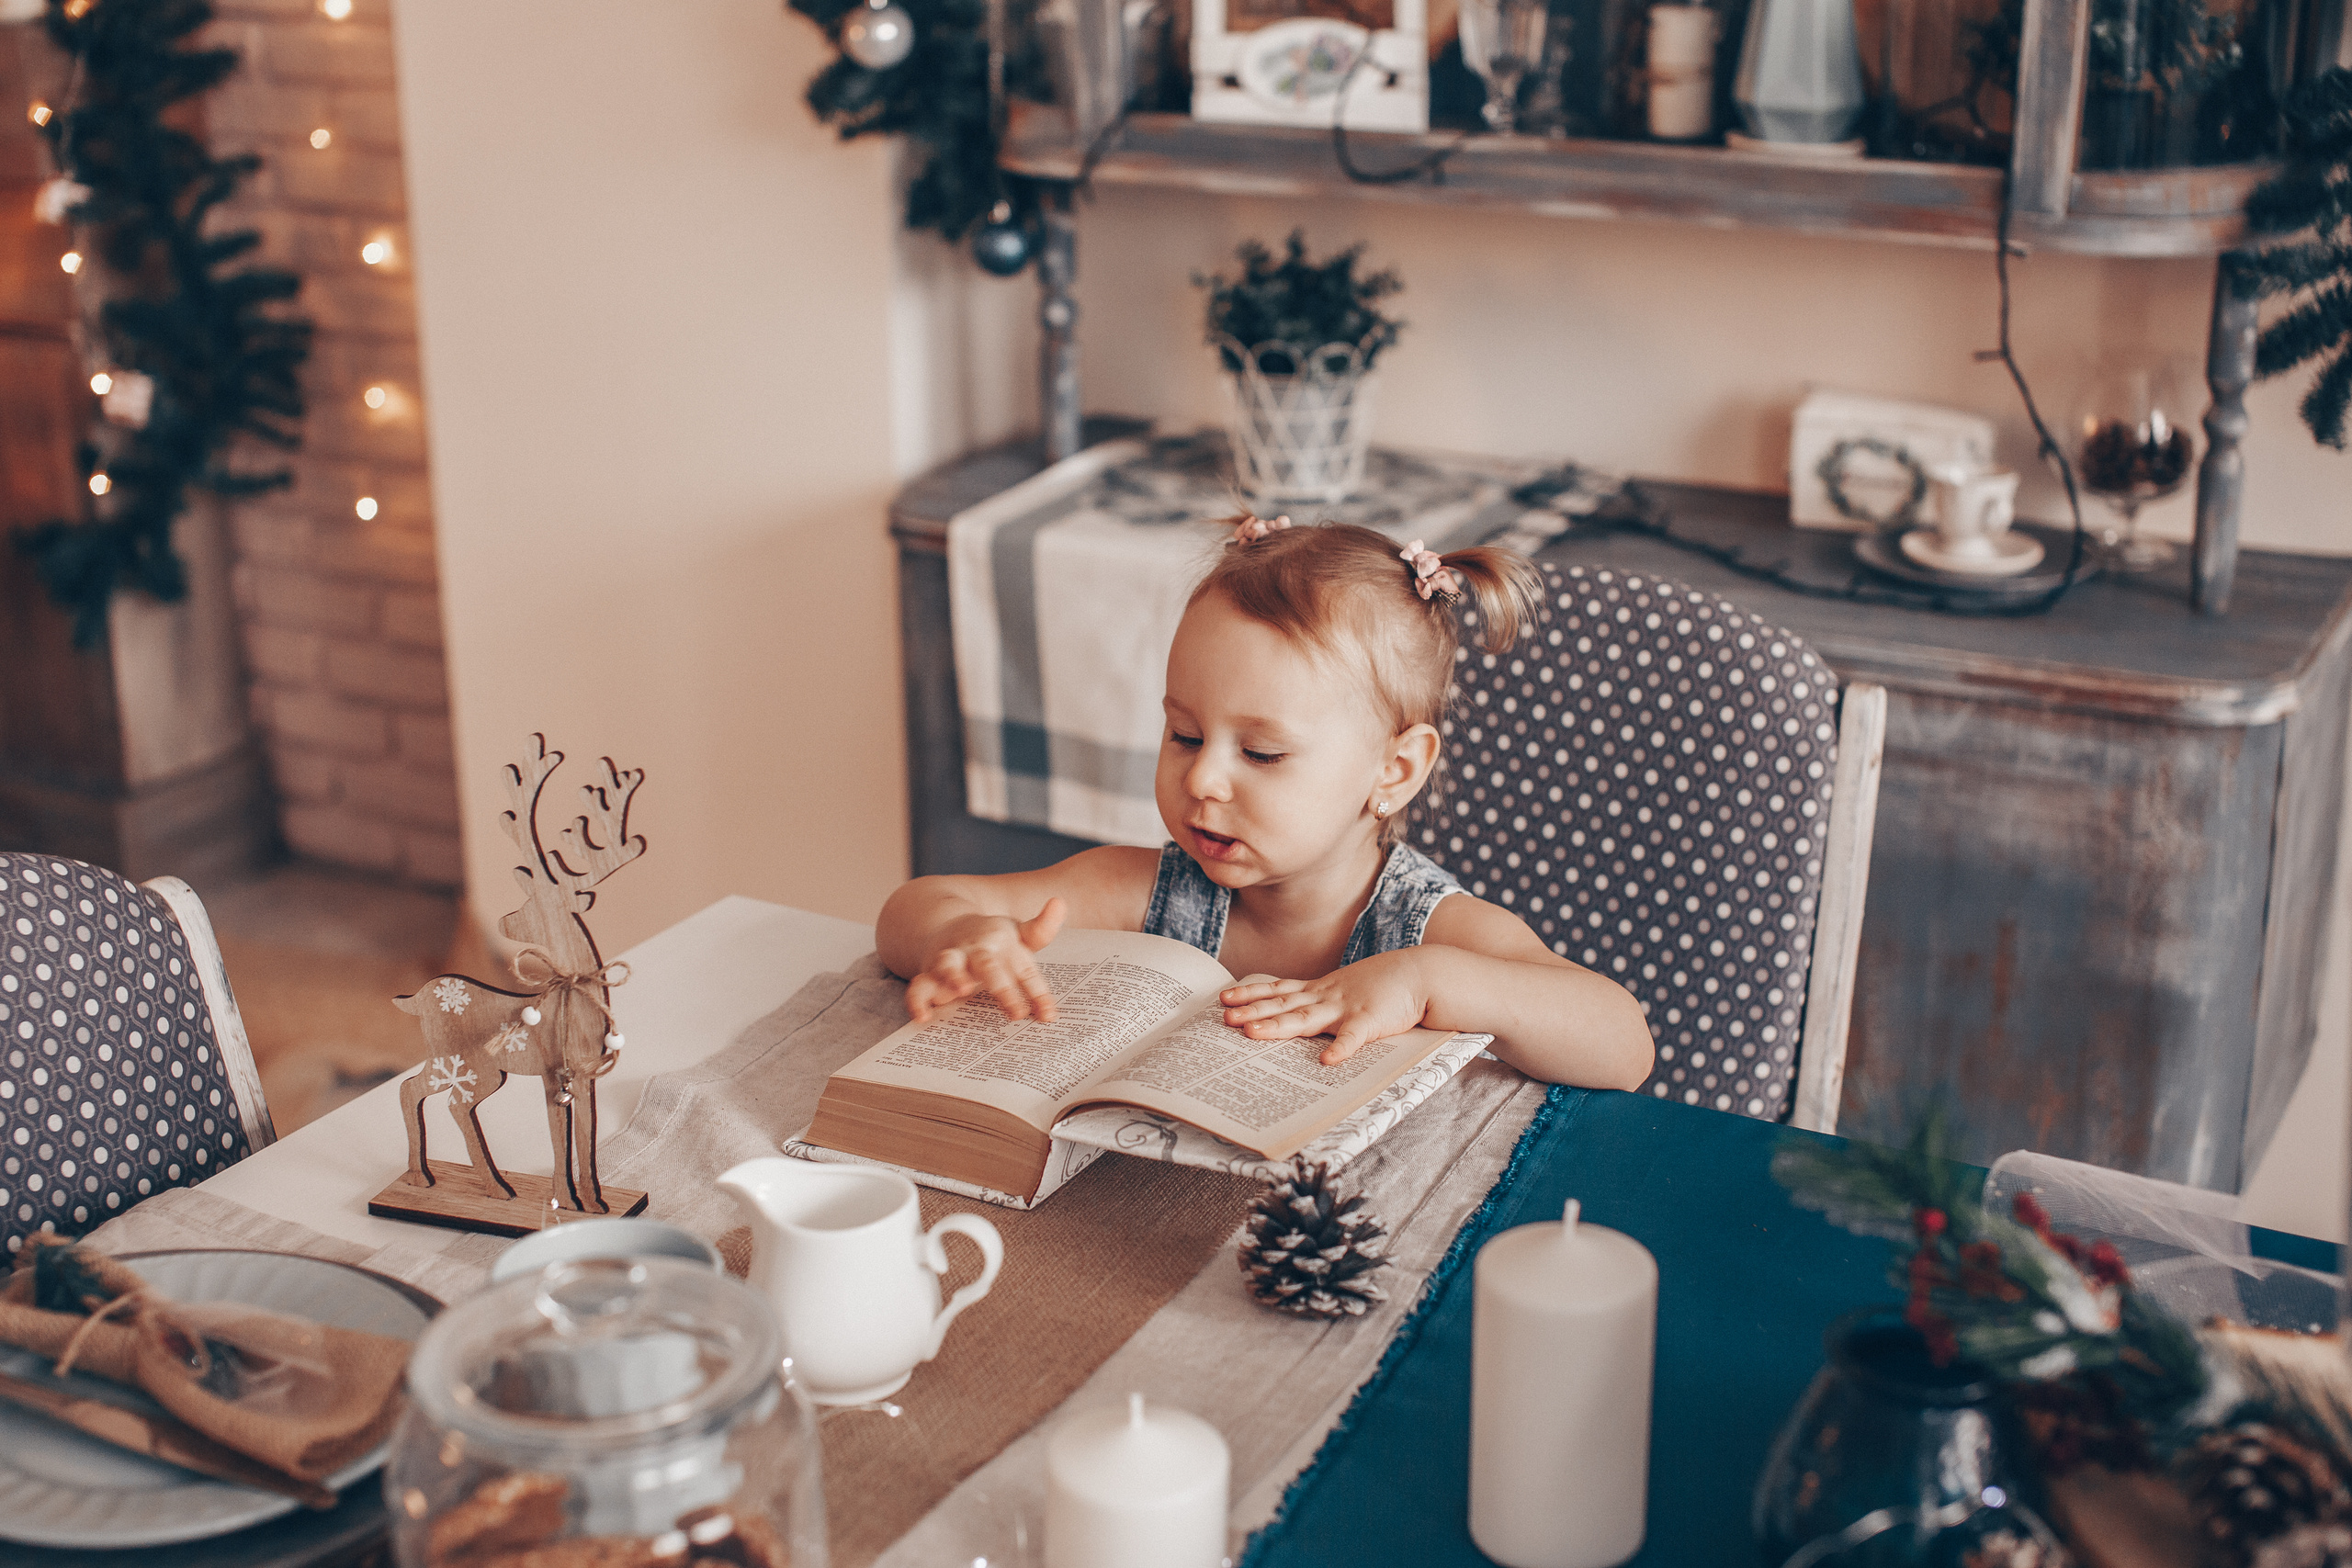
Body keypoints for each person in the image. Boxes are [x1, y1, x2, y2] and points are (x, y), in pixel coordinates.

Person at [876, 516, 1656, 1090]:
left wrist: (1426, 980)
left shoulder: (1429, 927)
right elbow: (909, 910)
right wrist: (965, 933)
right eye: (1183, 733)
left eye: (1261, 753)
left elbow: (1624, 1045)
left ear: (1396, 768)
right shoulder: (1146, 890)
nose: (1204, 781)